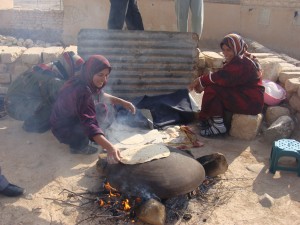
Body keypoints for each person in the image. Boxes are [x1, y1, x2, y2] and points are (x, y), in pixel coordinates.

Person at [50, 55, 136, 163]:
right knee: (96, 116)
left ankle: (94, 137)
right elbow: (89, 124)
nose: (104, 79)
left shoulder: (84, 79)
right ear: (91, 72)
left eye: (106, 75)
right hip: (64, 127)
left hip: (69, 118)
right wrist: (110, 148)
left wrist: (123, 102)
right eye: (100, 75)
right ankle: (77, 146)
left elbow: (101, 96)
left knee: (102, 109)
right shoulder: (82, 91)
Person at [188, 33, 265, 137]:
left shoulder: (242, 62)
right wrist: (202, 82)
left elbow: (222, 76)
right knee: (214, 87)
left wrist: (199, 81)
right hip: (247, 97)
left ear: (236, 48)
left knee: (213, 90)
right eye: (223, 50)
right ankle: (212, 121)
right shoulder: (243, 58)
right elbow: (226, 79)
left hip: (250, 102)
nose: (225, 53)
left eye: (228, 50)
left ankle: (218, 126)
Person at [5, 51, 84, 133]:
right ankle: (32, 125)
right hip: (16, 107)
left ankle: (33, 120)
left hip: (13, 102)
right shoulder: (54, 81)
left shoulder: (48, 68)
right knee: (58, 106)